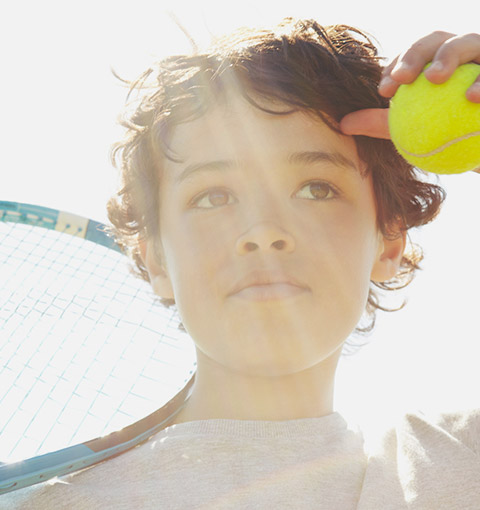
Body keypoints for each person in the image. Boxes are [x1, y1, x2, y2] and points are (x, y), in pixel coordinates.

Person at [3, 19, 480, 509]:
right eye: (213, 197)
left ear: (389, 243)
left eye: (317, 189)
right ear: (156, 259)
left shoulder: (461, 460)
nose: (264, 231)